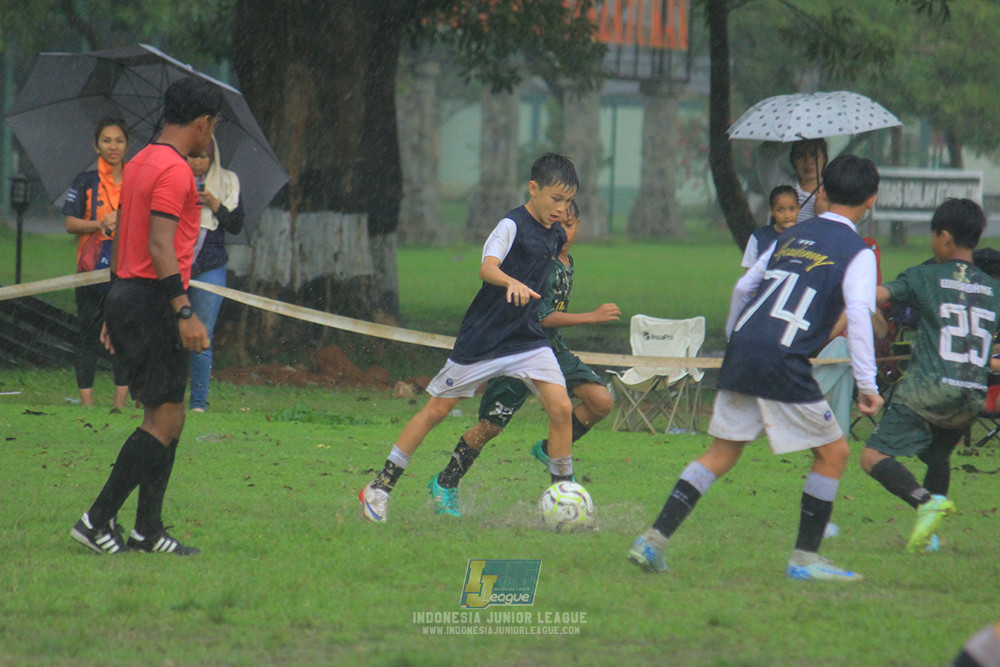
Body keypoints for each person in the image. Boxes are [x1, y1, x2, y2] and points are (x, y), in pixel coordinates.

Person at [628, 154, 883, 581]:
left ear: (822, 192)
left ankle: (652, 541)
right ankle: (804, 560)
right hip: (783, 359)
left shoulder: (790, 235)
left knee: (721, 453)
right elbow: (858, 315)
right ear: (871, 200)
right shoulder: (859, 252)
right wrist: (867, 384)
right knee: (834, 453)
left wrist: (737, 339)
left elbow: (744, 286)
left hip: (745, 350)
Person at [360, 152, 578, 524]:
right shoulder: (511, 225)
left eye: (568, 201)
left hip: (527, 339)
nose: (562, 208)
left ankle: (565, 498)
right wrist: (510, 281)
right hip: (484, 340)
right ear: (533, 188)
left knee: (561, 409)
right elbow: (487, 267)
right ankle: (379, 487)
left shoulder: (556, 235)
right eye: (556, 198)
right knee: (436, 411)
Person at [69, 77, 221, 555]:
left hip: (129, 293)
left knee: (168, 415)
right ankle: (95, 520)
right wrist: (184, 310)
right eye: (213, 126)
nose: (210, 136)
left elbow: (124, 239)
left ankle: (147, 531)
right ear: (202, 122)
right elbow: (159, 245)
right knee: (164, 421)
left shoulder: (138, 162)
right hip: (156, 300)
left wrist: (112, 308)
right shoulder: (175, 171)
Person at [427, 201, 620, 516]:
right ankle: (445, 482)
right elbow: (541, 317)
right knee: (490, 427)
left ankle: (553, 464)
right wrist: (591, 317)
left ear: (579, 225)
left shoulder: (566, 260)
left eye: (570, 225)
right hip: (519, 348)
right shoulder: (540, 261)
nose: (564, 232)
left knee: (600, 401)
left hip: (552, 349)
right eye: (559, 225)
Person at [860, 198, 1000, 553]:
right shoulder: (992, 288)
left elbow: (876, 296)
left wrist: (847, 287)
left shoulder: (926, 276)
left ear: (945, 237)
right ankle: (930, 538)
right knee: (938, 458)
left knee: (872, 457)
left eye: (933, 235)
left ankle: (925, 502)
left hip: (928, 390)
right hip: (971, 394)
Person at [62, 117, 131, 412]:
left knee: (122, 334)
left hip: (125, 270)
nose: (113, 147)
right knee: (88, 334)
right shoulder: (85, 181)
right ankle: (87, 403)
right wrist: (99, 224)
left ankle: (119, 404)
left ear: (127, 145)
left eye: (119, 141)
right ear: (96, 145)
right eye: (107, 140)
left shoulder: (136, 180)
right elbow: (70, 223)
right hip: (89, 270)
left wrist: (123, 221)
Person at [187, 138, 244, 412]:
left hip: (210, 263)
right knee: (169, 331)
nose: (198, 163)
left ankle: (198, 402)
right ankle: (164, 397)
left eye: (204, 157)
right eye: (192, 156)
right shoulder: (173, 178)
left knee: (202, 334)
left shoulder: (228, 181)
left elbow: (236, 224)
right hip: (176, 261)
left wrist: (214, 204)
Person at [740, 185, 800, 269]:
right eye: (780, 210)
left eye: (791, 209)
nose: (787, 215)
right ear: (772, 211)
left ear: (798, 208)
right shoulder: (759, 237)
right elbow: (749, 271)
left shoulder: (806, 237)